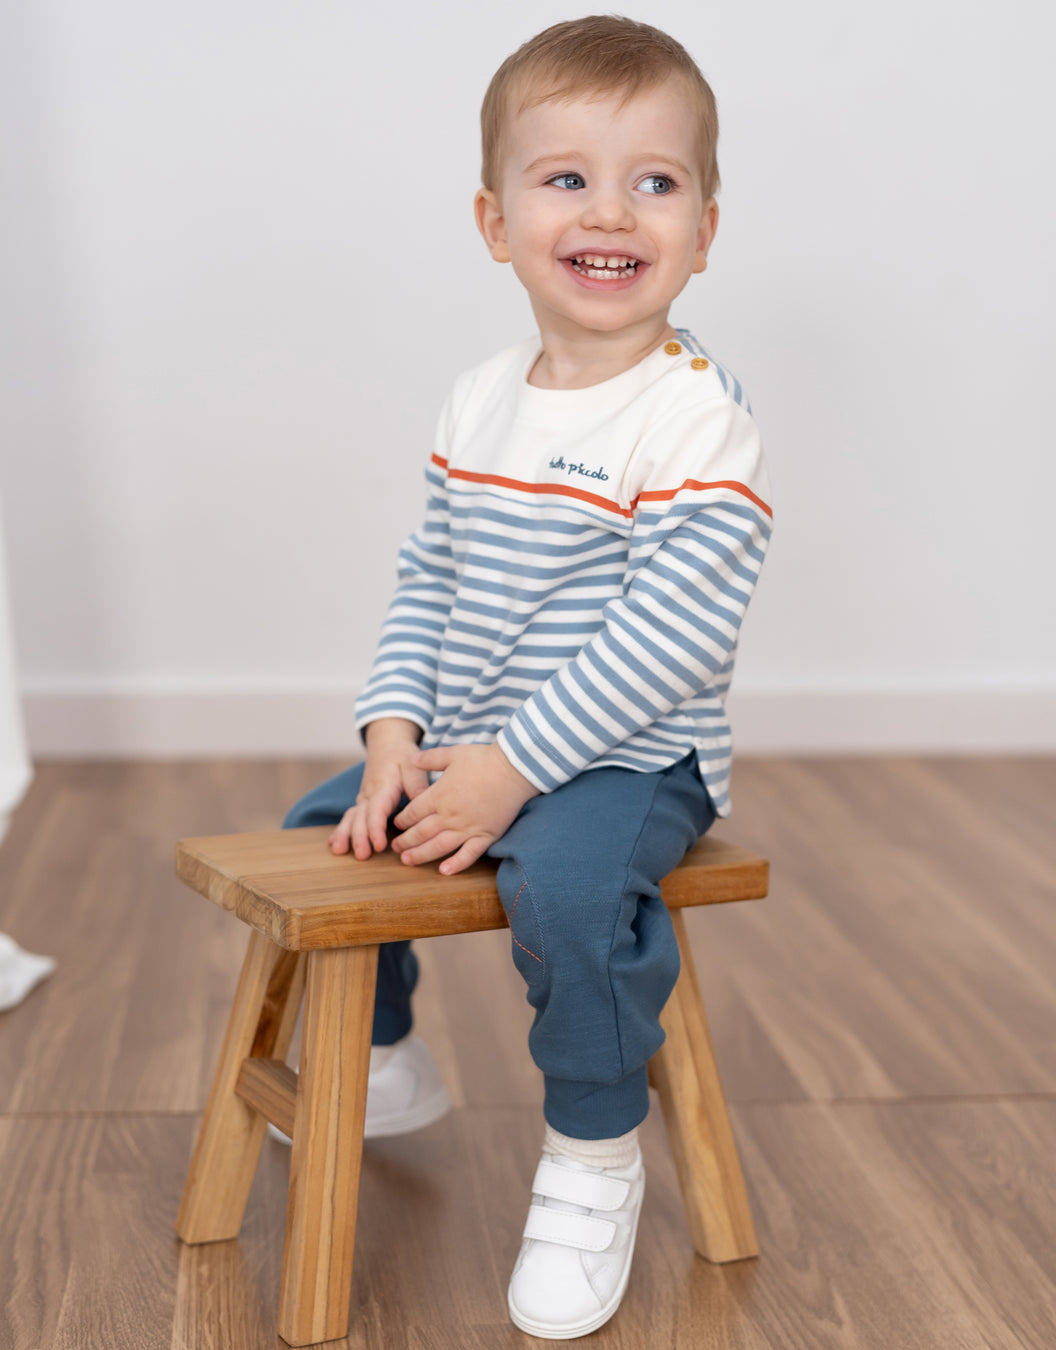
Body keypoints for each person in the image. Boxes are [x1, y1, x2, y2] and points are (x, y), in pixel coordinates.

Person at [281, 15, 774, 1338]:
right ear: (496, 222)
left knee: (567, 883)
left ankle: (593, 1152)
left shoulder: (694, 417)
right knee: (322, 827)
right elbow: (429, 578)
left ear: (705, 230)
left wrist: (512, 771)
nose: (611, 210)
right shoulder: (481, 400)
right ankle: (386, 1059)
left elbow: (671, 635)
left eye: (654, 182)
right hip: (484, 737)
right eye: (568, 179)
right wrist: (399, 730)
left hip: (632, 756)